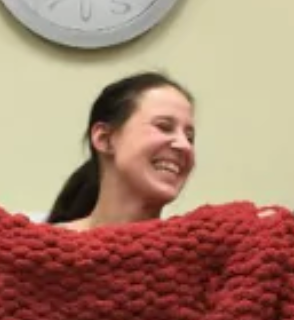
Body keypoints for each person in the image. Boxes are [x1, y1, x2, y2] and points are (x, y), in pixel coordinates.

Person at [46, 72, 196, 230]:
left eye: (190, 138)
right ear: (105, 139)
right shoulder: (44, 247)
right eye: (163, 127)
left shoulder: (203, 248)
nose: (184, 145)